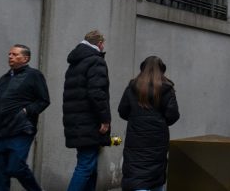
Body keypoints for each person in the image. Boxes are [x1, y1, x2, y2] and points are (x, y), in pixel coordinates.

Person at [0, 44, 50, 191]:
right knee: (0, 175)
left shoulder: (34, 75)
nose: (10, 57)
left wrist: (26, 111)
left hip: (21, 129)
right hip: (1, 132)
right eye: (9, 54)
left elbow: (44, 100)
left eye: (14, 54)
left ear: (26, 58)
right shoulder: (3, 79)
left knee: (16, 167)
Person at [118, 56, 180, 191]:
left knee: (136, 173)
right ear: (161, 70)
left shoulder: (132, 87)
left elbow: (122, 111)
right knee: (155, 175)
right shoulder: (167, 88)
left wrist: (137, 119)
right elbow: (173, 116)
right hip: (157, 140)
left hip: (135, 138)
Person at [63, 30, 111, 191]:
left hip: (76, 122)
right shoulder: (96, 61)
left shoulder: (76, 62)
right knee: (85, 166)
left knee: (90, 165)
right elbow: (97, 93)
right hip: (90, 122)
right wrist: (105, 119)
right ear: (99, 44)